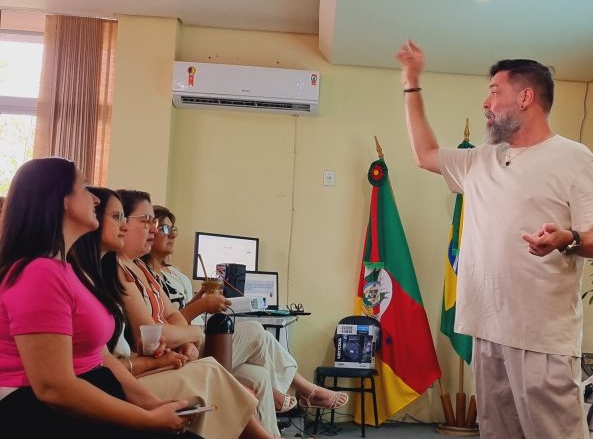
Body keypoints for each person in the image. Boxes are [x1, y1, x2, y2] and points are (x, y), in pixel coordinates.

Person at [395, 41, 593, 439]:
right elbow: (424, 153)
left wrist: (567, 238)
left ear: (526, 97)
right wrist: (411, 82)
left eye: (495, 92)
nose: (486, 103)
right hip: (487, 329)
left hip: (540, 337)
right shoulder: (481, 159)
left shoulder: (573, 157)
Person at [115, 191, 347, 435]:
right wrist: (195, 326)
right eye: (150, 223)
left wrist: (189, 333)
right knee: (255, 332)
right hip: (170, 351)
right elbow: (152, 332)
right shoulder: (122, 270)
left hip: (182, 343)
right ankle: (303, 390)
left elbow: (173, 318)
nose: (159, 232)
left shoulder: (148, 271)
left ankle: (279, 418)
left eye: (163, 226)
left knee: (259, 375)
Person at [0, 157, 199, 438]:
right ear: (62, 200)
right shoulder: (39, 273)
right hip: (33, 412)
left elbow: (102, 357)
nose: (95, 199)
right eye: (84, 188)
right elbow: (54, 388)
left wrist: (153, 406)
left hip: (87, 393)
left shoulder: (65, 270)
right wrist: (146, 420)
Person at [69, 186, 274, 439]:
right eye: (145, 221)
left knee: (256, 374)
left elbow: (169, 320)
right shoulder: (106, 272)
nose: (154, 230)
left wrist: (182, 343)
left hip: (139, 365)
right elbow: (143, 337)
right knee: (220, 364)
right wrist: (191, 334)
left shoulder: (132, 269)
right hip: (125, 375)